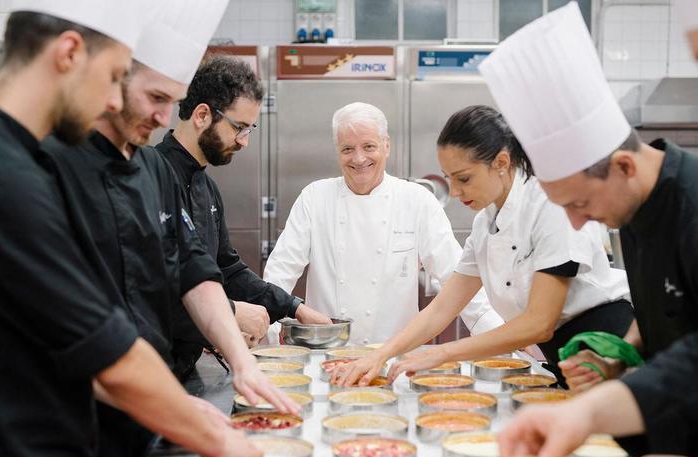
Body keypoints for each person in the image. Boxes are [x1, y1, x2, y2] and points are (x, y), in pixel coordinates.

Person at [0, 2, 259, 457]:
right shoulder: (27, 171)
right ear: (70, 53)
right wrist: (213, 437)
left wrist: (228, 371)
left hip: (120, 411)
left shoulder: (150, 169)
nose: (114, 102)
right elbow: (94, 341)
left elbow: (193, 266)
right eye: (116, 76)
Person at [477, 1, 698, 457]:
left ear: (623, 166)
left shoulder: (691, 204)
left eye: (579, 204)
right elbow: (668, 311)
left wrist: (588, 414)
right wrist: (618, 352)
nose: (576, 223)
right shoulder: (634, 205)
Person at [333, 105, 632, 388]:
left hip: (607, 350)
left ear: (501, 162)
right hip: (564, 357)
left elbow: (540, 323)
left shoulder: (548, 205)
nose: (454, 191)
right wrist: (380, 355)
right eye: (449, 178)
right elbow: (441, 309)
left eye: (464, 178)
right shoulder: (484, 223)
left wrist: (442, 353)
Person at [263, 102, 504, 346]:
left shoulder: (416, 200)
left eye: (369, 146)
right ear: (337, 151)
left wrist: (496, 334)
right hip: (326, 351)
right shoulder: (315, 197)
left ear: (386, 146)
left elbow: (454, 273)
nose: (359, 158)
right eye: (348, 149)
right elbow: (281, 269)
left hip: (395, 353)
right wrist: (267, 328)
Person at [156, 55, 332, 376]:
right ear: (202, 115)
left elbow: (228, 270)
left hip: (185, 367)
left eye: (250, 128)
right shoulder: (148, 180)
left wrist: (295, 308)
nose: (244, 141)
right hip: (147, 368)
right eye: (238, 127)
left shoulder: (206, 188)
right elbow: (151, 289)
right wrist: (231, 313)